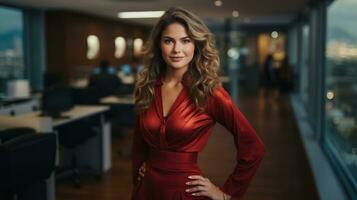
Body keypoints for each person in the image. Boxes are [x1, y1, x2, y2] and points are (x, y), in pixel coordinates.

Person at [132, 7, 265, 200]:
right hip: (147, 188)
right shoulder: (146, 88)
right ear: (159, 45)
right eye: (169, 41)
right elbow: (138, 144)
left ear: (197, 44)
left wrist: (225, 194)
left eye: (186, 41)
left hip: (185, 192)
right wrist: (140, 170)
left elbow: (254, 148)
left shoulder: (209, 92)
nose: (177, 50)